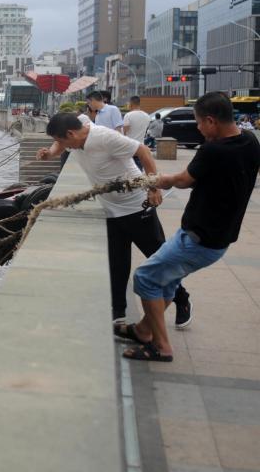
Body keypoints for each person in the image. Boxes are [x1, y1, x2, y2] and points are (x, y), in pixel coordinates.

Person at [118, 92, 260, 362]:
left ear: (210, 120)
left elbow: (183, 180)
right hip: (218, 238)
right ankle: (143, 330)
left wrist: (158, 180)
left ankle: (160, 346)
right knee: (167, 283)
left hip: (198, 239)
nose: (197, 128)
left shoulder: (213, 149)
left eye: (198, 123)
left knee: (145, 278)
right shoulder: (250, 142)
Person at [38, 112, 191, 326]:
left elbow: (144, 151)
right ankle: (117, 311)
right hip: (110, 209)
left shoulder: (104, 137)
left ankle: (182, 298)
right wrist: (51, 153)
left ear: (71, 133)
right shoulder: (79, 126)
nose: (61, 145)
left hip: (137, 206)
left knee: (158, 256)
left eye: (61, 140)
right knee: (117, 263)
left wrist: (153, 187)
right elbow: (60, 145)